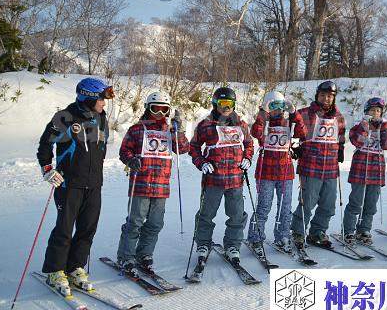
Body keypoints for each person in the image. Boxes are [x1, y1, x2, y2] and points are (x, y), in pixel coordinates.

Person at [36, 77, 114, 296]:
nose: (104, 103)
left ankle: (75, 267)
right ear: (88, 98)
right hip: (69, 184)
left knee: (88, 228)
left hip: (94, 184)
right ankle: (55, 271)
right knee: (64, 228)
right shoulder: (65, 117)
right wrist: (47, 169)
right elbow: (45, 145)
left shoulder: (101, 118)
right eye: (101, 98)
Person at [116, 92, 189, 277]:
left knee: (155, 224)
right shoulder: (137, 129)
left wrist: (179, 131)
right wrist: (131, 160)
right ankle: (126, 257)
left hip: (161, 186)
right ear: (148, 108)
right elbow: (124, 151)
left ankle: (144, 254)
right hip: (141, 184)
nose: (160, 113)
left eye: (164, 109)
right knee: (135, 222)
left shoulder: (170, 130)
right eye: (156, 109)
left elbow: (183, 149)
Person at [189, 87, 254, 263]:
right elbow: (193, 147)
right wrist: (201, 163)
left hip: (235, 179)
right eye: (222, 103)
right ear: (215, 104)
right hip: (213, 179)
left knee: (237, 216)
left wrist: (247, 158)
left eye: (229, 103)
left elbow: (249, 144)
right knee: (206, 215)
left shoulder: (241, 124)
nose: (226, 107)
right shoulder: (206, 125)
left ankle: (232, 245)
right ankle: (203, 244)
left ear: (234, 104)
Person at [247, 91, 306, 255]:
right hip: (266, 172)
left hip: (285, 172)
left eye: (280, 106)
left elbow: (302, 132)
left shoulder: (289, 122)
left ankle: (282, 236)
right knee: (263, 206)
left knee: (285, 207)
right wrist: (263, 114)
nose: (277, 110)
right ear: (267, 107)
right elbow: (256, 132)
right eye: (273, 106)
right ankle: (255, 238)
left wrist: (295, 114)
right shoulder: (264, 122)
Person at [291, 81, 346, 249]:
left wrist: (341, 149)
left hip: (330, 168)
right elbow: (291, 129)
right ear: (317, 96)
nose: (326, 99)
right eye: (323, 95)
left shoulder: (338, 117)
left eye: (330, 96)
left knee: (328, 204)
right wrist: (295, 146)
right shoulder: (305, 114)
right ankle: (298, 232)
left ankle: (318, 231)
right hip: (311, 166)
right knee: (307, 203)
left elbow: (341, 135)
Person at [343, 97, 387, 244]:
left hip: (376, 171)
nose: (375, 113)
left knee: (371, 204)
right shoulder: (358, 126)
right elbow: (357, 141)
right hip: (360, 170)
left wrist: (385, 128)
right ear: (367, 111)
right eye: (372, 110)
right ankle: (349, 231)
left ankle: (364, 230)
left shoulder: (383, 128)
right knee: (356, 202)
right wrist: (365, 126)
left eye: (378, 111)